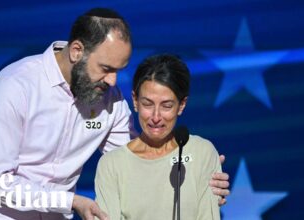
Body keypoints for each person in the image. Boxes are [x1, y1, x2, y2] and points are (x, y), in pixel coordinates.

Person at [0, 8, 229, 220]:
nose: (113, 81)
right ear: (77, 51)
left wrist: (195, 168)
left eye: (119, 70)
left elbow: (139, 156)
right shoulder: (14, 87)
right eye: (105, 68)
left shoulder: (109, 98)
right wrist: (71, 201)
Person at [95, 54, 222, 219]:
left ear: (181, 105)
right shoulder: (111, 164)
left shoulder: (202, 153)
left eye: (166, 106)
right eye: (147, 104)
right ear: (135, 101)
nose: (155, 117)